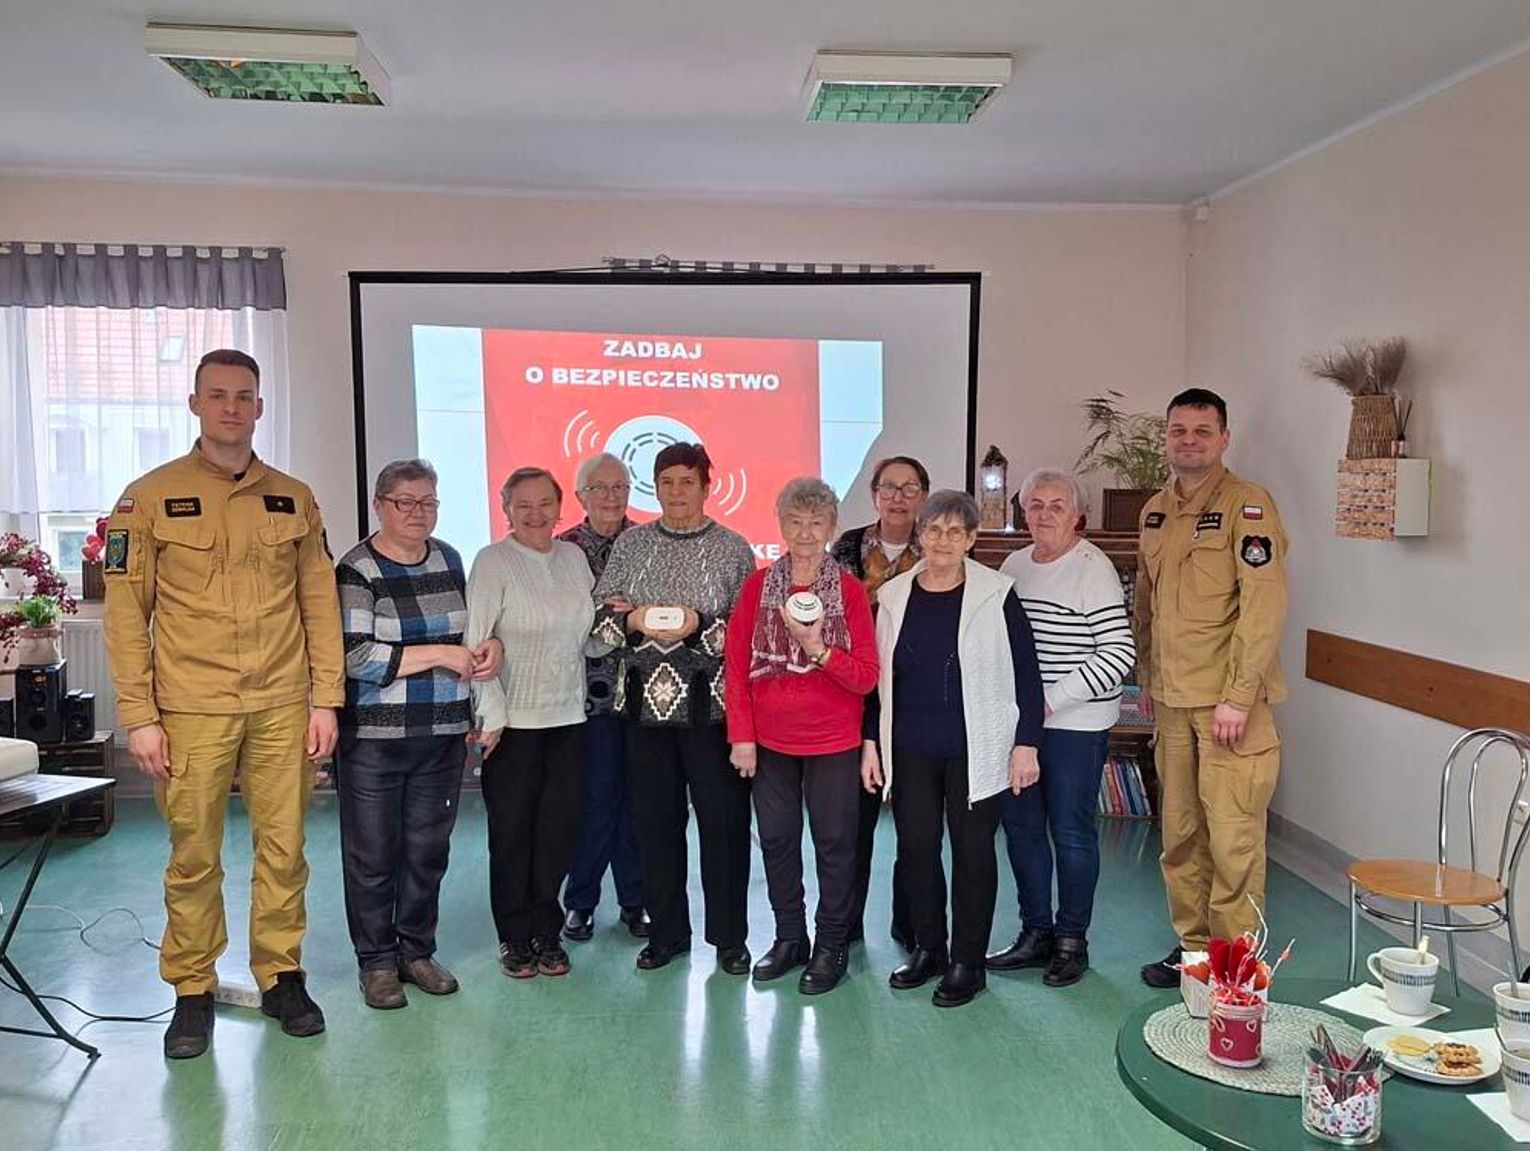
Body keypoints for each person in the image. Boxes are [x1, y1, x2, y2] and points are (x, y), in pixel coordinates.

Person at [102, 348, 343, 1059]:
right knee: (193, 853)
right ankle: (192, 988)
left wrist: (324, 698)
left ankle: (281, 974)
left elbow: (319, 602)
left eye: (244, 396)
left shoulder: (294, 497)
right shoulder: (146, 497)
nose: (231, 407)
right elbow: (125, 615)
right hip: (191, 706)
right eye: (218, 395)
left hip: (280, 699)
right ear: (195, 403)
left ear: (260, 407)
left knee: (285, 847)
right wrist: (139, 716)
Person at [863, 490, 1045, 1008]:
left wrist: (1025, 743)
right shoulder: (895, 596)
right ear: (920, 534)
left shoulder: (996, 593)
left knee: (972, 853)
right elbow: (880, 678)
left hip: (977, 745)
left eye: (954, 532)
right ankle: (929, 949)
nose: (942, 540)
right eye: (933, 530)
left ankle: (968, 961)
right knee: (916, 851)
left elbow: (1026, 675)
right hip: (911, 747)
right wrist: (872, 740)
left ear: (970, 539)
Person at [1134, 388, 1289, 989]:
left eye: (1202, 430)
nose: (1189, 440)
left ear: (1225, 438)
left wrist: (1239, 696)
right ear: (1167, 437)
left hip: (1230, 708)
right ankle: (1195, 954)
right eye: (1179, 430)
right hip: (1172, 704)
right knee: (1180, 837)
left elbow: (1263, 607)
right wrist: (1147, 678)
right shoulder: (1155, 511)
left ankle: (1238, 967)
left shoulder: (1249, 508)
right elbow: (1147, 606)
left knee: (1233, 841)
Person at [333, 459, 502, 1009]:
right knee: (373, 854)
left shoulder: (449, 557)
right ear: (380, 505)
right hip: (376, 740)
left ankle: (416, 950)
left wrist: (488, 649)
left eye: (428, 501)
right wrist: (440, 655)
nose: (418, 512)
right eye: (405, 501)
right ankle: (377, 963)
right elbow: (357, 656)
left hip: (443, 731)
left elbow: (471, 633)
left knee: (428, 850)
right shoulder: (357, 568)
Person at [591, 443, 757, 974]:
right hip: (644, 711)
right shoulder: (632, 545)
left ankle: (730, 939)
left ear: (708, 486)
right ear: (655, 487)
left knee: (724, 826)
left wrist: (699, 625)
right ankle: (666, 934)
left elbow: (747, 635)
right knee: (655, 827)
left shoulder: (733, 548)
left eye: (688, 481)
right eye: (667, 482)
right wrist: (635, 621)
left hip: (712, 712)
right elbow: (598, 626)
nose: (677, 492)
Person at [726, 478, 878, 995]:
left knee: (835, 844)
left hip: (834, 740)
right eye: (796, 521)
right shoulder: (757, 587)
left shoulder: (851, 591)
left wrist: (819, 650)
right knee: (777, 840)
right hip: (770, 743)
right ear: (781, 526)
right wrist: (742, 736)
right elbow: (737, 664)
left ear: (832, 528)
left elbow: (866, 676)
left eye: (817, 522)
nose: (806, 532)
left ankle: (830, 944)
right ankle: (790, 937)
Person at [987, 469, 1136, 988]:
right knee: (1022, 828)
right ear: (1022, 512)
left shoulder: (1092, 569)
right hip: (1022, 723)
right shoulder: (1014, 564)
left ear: (1077, 515)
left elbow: (1119, 653)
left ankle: (1072, 941)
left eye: (1056, 506)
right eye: (1035, 505)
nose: (1045, 514)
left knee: (1070, 832)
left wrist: (1048, 702)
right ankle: (1035, 933)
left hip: (1075, 724)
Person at [467, 468, 596, 980]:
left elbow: (588, 638)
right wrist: (492, 718)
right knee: (513, 835)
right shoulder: (492, 561)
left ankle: (548, 929)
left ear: (560, 507)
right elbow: (476, 648)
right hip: (513, 726)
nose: (535, 514)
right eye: (524, 505)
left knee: (558, 833)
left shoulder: (574, 558)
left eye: (545, 503)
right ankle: (514, 937)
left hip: (569, 718)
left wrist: (623, 624)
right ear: (506, 509)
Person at [830, 455, 936, 950]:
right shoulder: (847, 546)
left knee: (916, 821)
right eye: (889, 488)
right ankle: (845, 923)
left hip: (917, 696)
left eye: (910, 488)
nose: (898, 497)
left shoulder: (937, 545)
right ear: (874, 494)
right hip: (858, 692)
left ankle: (908, 922)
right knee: (855, 819)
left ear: (923, 496)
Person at [559, 452, 649, 942]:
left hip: (645, 695)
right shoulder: (563, 548)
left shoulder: (649, 543)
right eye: (600, 488)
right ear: (580, 497)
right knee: (594, 799)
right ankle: (581, 901)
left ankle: (636, 901)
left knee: (638, 802)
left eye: (620, 487)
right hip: (584, 697)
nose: (611, 497)